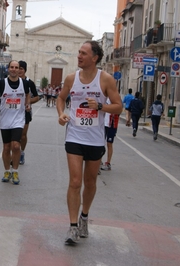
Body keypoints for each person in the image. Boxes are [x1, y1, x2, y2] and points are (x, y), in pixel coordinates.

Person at [56, 41, 122, 244]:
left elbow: (119, 107)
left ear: (94, 58)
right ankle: (73, 226)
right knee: (75, 182)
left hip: (95, 140)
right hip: (74, 136)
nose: (79, 56)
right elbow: (60, 98)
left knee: (90, 182)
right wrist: (61, 114)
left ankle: (85, 215)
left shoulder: (106, 80)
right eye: (79, 52)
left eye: (83, 53)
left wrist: (101, 106)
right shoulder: (70, 78)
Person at [0, 60, 31, 185]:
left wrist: (27, 104)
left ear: (19, 69)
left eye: (16, 67)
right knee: (7, 147)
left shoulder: (24, 83)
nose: (14, 69)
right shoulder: (2, 83)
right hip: (5, 120)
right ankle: (7, 170)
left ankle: (15, 171)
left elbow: (28, 94)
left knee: (15, 145)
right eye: (12, 67)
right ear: (8, 69)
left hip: (18, 119)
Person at [18, 60, 39, 165]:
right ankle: (15, 153)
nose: (19, 71)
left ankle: (21, 153)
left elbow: (37, 96)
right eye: (18, 68)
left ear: (25, 70)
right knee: (14, 135)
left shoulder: (30, 83)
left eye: (21, 69)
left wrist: (28, 101)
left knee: (23, 134)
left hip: (26, 111)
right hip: (13, 111)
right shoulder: (10, 81)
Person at [101, 99, 119, 171]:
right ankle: (99, 162)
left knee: (109, 144)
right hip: (103, 124)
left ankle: (108, 163)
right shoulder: (104, 98)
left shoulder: (114, 99)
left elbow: (119, 109)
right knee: (100, 143)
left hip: (112, 124)